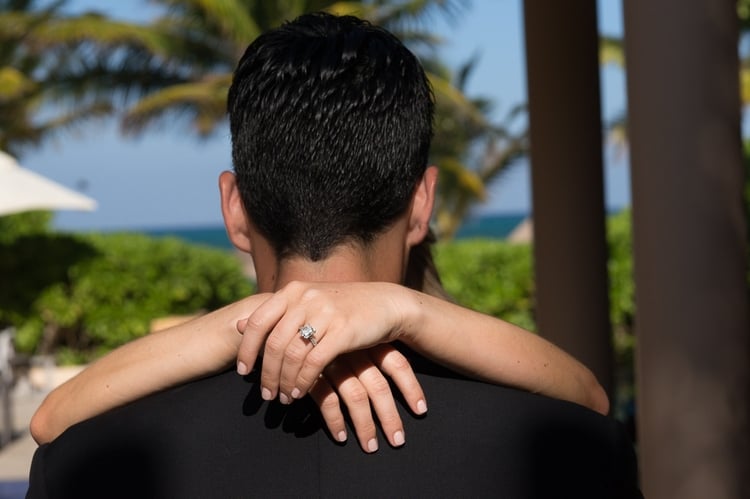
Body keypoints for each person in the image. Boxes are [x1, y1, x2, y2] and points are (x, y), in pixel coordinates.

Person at [26, 12, 640, 498]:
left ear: (234, 208)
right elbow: (590, 397)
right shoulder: (570, 448)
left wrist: (241, 323)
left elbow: (49, 421)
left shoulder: (88, 460)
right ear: (422, 202)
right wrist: (411, 312)